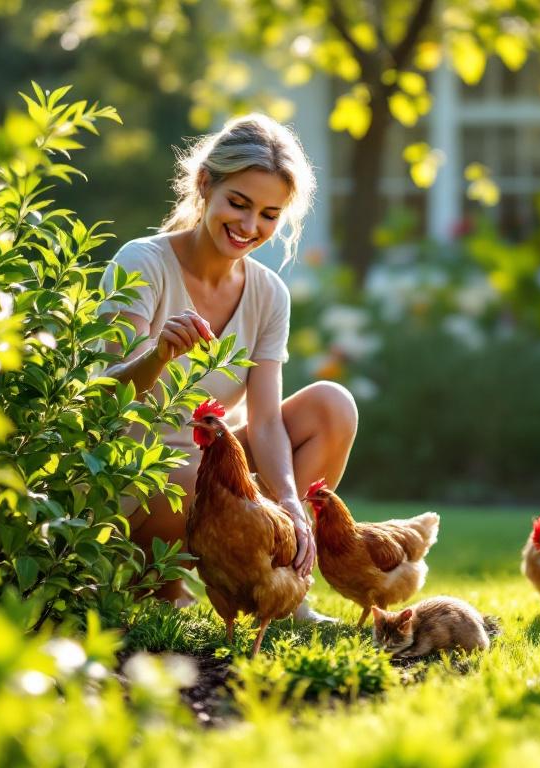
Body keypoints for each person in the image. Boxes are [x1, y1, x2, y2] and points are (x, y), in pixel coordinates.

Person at [100, 114, 357, 616]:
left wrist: (288, 503)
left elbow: (263, 420)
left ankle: (280, 586)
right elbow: (105, 397)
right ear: (205, 185)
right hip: (135, 478)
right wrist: (157, 355)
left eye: (268, 214)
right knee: (193, 473)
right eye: (238, 204)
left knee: (333, 406)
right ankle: (156, 580)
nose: (248, 226)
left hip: (211, 478)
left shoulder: (267, 293)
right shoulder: (141, 262)